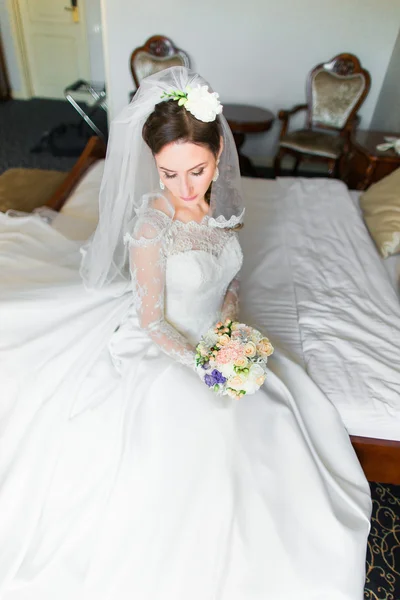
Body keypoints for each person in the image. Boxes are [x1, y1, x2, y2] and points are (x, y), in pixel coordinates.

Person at [0, 67, 371, 600]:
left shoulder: (222, 207)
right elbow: (153, 322)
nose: (182, 188)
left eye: (195, 171)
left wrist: (227, 318)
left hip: (214, 336)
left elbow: (230, 276)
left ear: (218, 153)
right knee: (204, 433)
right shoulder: (151, 229)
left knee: (277, 422)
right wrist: (206, 362)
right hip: (165, 349)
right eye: (167, 174)